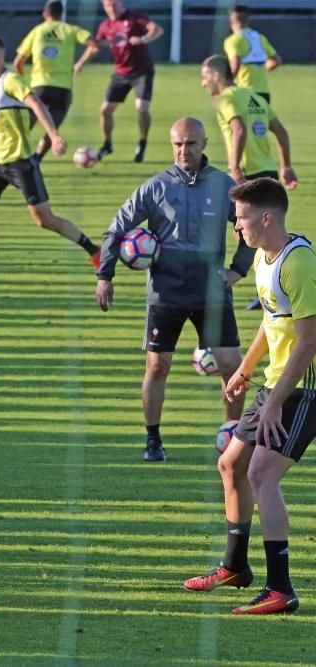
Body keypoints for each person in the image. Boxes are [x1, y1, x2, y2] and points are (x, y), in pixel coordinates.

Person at [184, 178, 315, 615]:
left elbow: (308, 343)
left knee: (261, 475)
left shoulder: (299, 264)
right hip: (275, 382)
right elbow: (271, 320)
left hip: (304, 389)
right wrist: (245, 369)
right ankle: (235, 567)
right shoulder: (264, 257)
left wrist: (277, 399)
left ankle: (281, 588)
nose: (234, 227)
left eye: (239, 218)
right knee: (230, 463)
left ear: (266, 217)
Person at [96, 117, 254, 462]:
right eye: (178, 144)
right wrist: (105, 275)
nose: (184, 150)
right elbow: (116, 229)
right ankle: (153, 440)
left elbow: (249, 224)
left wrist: (238, 270)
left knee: (232, 364)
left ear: (205, 143)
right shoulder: (155, 187)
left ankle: (235, 438)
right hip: (165, 294)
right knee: (157, 366)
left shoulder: (222, 186)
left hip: (211, 291)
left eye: (191, 143)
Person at [0, 34, 101, 284]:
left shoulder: (11, 80)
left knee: (45, 220)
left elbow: (37, 103)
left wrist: (53, 135)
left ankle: (95, 251)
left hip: (21, 162)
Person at [77, 0, 164, 163]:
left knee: (141, 107)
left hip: (142, 71)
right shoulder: (105, 26)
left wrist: (144, 39)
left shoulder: (134, 18)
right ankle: (107, 144)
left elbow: (157, 29)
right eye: (108, 5)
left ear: (121, 2)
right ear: (103, 6)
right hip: (121, 73)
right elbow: (95, 46)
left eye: (114, 4)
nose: (111, 8)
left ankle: (142, 143)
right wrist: (80, 63)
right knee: (105, 110)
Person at [12, 1, 97, 159]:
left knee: (24, 128)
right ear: (61, 14)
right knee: (52, 129)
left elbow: (18, 62)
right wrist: (79, 64)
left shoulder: (37, 31)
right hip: (62, 89)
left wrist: (22, 83)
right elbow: (94, 45)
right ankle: (37, 160)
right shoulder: (70, 29)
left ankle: (16, 158)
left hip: (39, 87)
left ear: (45, 14)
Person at [200, 55, 297, 188]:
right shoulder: (256, 98)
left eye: (205, 77)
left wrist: (235, 169)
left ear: (216, 76)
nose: (203, 84)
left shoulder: (225, 99)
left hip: (246, 174)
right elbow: (281, 132)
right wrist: (286, 166)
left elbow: (239, 128)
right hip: (270, 172)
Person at [224, 4, 280, 103]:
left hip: (245, 92)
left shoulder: (233, 40)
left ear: (231, 22)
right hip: (264, 93)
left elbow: (235, 63)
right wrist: (259, 70)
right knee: (261, 119)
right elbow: (276, 60)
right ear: (248, 22)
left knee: (240, 118)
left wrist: (227, 83)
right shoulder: (261, 38)